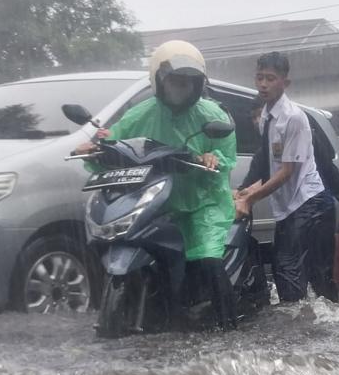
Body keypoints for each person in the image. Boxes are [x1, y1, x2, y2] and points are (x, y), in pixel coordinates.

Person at [74, 40, 238, 329]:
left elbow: (227, 154)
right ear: (159, 80)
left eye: (189, 83)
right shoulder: (140, 114)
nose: (182, 88)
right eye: (175, 81)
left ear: (199, 84)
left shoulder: (213, 115)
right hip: (160, 202)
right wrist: (95, 147)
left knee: (210, 258)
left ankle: (228, 328)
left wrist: (214, 158)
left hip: (204, 202)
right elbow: (114, 141)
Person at [234, 52, 339, 303]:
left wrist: (249, 199)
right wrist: (243, 190)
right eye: (259, 78)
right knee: (308, 273)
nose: (263, 84)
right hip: (291, 207)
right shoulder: (267, 116)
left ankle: (299, 329)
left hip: (310, 203)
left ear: (285, 83)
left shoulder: (294, 118)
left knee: (288, 267)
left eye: (270, 78)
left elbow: (287, 171)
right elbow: (265, 163)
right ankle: (322, 320)